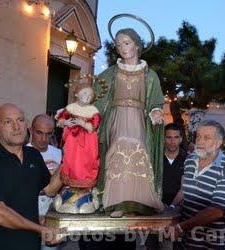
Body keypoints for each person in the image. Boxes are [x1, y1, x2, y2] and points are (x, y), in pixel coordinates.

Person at [0, 103, 63, 250]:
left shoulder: (33, 155)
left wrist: (69, 160)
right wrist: (40, 229)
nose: (16, 126)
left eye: (20, 120)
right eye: (8, 121)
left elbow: (50, 189)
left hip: (28, 245)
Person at [93, 28, 164, 217]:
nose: (122, 48)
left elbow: (156, 100)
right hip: (116, 118)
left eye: (126, 43)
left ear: (137, 45)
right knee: (117, 148)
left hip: (139, 120)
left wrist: (156, 111)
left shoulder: (150, 75)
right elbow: (97, 97)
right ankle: (115, 202)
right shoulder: (110, 73)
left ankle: (139, 200)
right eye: (118, 45)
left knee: (139, 150)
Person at [174, 120, 225, 249]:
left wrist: (180, 227)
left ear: (218, 143)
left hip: (217, 244)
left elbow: (216, 211)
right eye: (198, 136)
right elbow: (187, 196)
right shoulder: (190, 161)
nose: (200, 141)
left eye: (206, 138)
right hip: (190, 243)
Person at [146, 123, 187, 250]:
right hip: (155, 209)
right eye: (169, 137)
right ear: (163, 138)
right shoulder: (155, 158)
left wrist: (171, 207)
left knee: (175, 245)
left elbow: (184, 188)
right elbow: (148, 183)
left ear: (181, 139)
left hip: (178, 210)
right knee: (153, 245)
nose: (172, 141)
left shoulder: (187, 159)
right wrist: (158, 205)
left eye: (176, 137)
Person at [28, 114, 63, 250]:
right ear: (31, 130)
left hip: (51, 210)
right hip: (29, 210)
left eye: (48, 134)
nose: (43, 139)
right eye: (39, 133)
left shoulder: (59, 154)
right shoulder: (21, 152)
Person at [55, 83, 100, 188]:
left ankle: (85, 182)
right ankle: (71, 181)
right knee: (71, 160)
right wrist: (66, 123)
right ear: (76, 94)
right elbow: (60, 120)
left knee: (87, 161)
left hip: (88, 142)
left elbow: (94, 127)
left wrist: (82, 123)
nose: (87, 96)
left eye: (90, 95)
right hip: (72, 140)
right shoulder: (71, 108)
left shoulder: (93, 111)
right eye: (84, 93)